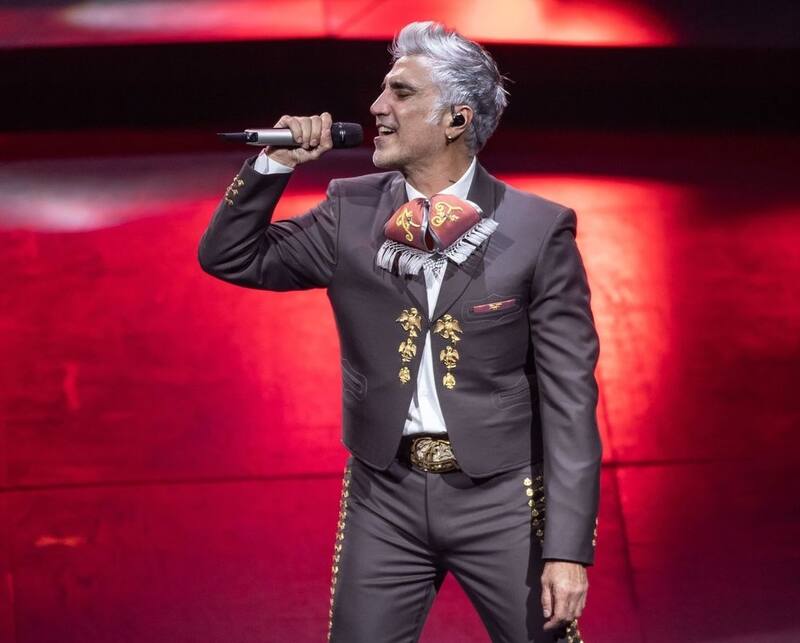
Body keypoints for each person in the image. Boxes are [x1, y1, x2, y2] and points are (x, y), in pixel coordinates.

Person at [198, 21, 601, 643]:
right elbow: (230, 256)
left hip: (502, 500)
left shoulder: (537, 230)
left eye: (402, 93)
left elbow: (570, 398)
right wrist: (273, 164)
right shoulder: (350, 210)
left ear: (457, 119)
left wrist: (568, 550)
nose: (377, 107)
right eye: (384, 90)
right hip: (383, 496)